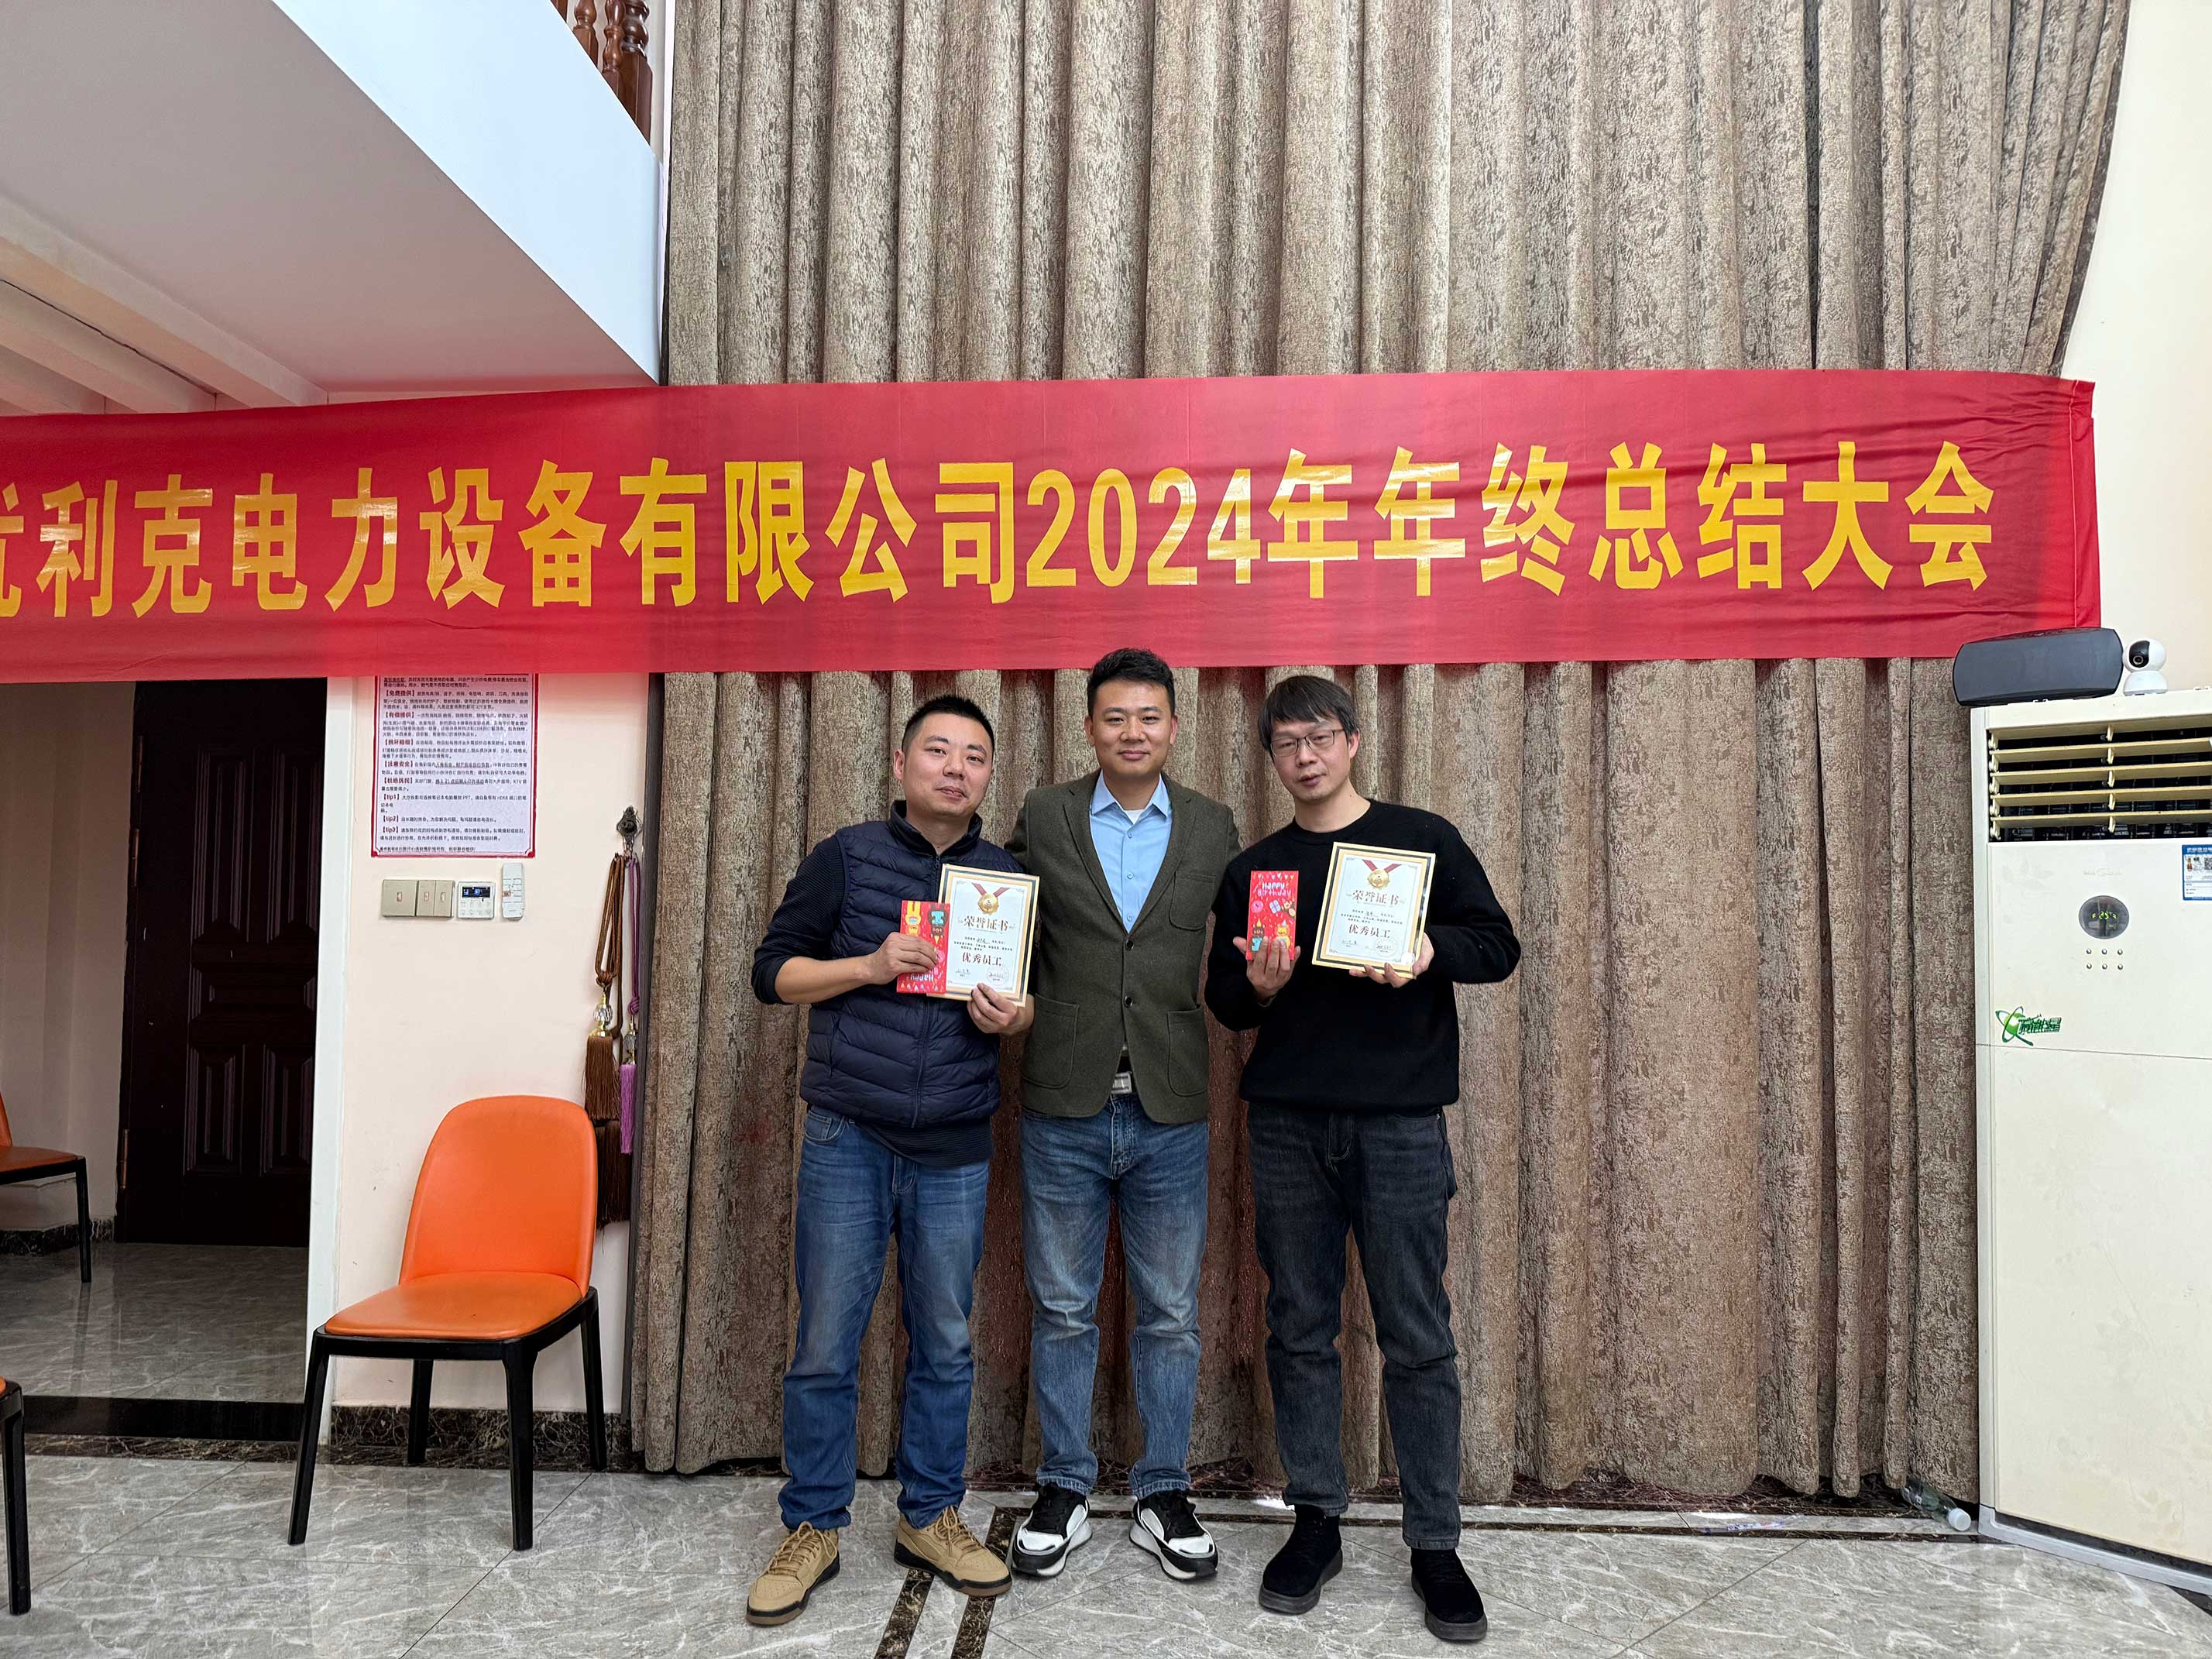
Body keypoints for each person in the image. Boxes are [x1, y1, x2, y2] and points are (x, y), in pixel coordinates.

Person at [1204, 674, 1520, 1644]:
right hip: (1287, 1123)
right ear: (1271, 757)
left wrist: (1427, 951)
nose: (1305, 756)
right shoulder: (1256, 868)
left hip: (1400, 1125)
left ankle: (1435, 1543)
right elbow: (1225, 1001)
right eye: (1286, 743)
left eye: (1320, 737)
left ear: (1352, 741)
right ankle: (1316, 1519)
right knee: (1299, 1327)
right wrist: (1260, 987)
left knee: (1417, 1334)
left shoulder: (1422, 840)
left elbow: (1497, 946)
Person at [744, 694, 1033, 1628]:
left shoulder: (1005, 879)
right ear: (901, 765)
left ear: (989, 776)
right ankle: (813, 1524)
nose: (956, 768)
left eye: (974, 757)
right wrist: (868, 966)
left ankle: (930, 1515)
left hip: (954, 1144)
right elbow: (773, 974)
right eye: (938, 751)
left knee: (945, 1342)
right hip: (849, 1138)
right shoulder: (847, 857)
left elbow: (1031, 997)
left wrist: (1013, 1017)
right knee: (826, 1341)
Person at [1005, 648, 1242, 1583]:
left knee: (1172, 1314)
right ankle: (1063, 1486)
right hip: (1063, 1101)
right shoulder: (1045, 815)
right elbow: (1004, 923)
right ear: (1089, 727)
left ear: (1174, 727)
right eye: (1115, 717)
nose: (1132, 732)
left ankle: (1162, 1491)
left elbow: (1246, 944)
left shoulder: (1214, 826)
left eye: (1149, 717)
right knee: (1062, 1309)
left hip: (1170, 1105)